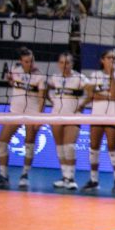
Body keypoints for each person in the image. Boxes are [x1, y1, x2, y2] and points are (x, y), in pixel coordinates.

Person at [0, 47, 45, 189]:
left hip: (32, 114)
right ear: (21, 61)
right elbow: (13, 82)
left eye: (32, 61)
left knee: (29, 144)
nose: (30, 64)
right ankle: (3, 176)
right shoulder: (15, 70)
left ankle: (24, 175)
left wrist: (39, 118)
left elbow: (42, 98)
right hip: (15, 113)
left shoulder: (40, 76)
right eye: (26, 61)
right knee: (1, 142)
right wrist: (11, 80)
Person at [82, 49, 115, 191]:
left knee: (112, 147)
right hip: (97, 115)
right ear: (102, 60)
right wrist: (107, 96)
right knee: (94, 147)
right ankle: (94, 180)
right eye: (109, 58)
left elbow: (114, 93)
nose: (112, 60)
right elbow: (91, 95)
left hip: (113, 115)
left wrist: (111, 74)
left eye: (114, 58)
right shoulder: (95, 75)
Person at [45, 52, 88, 190]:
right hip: (56, 115)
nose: (64, 65)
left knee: (69, 147)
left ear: (72, 64)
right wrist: (52, 100)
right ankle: (64, 177)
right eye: (62, 62)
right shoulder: (55, 78)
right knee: (60, 148)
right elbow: (45, 89)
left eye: (67, 63)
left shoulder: (80, 78)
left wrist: (81, 105)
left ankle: (71, 178)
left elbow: (91, 92)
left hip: (73, 116)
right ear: (58, 64)